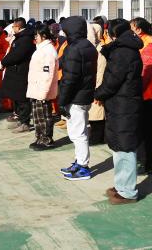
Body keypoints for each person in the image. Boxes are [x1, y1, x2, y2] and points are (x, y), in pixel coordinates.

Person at [95, 19, 143, 205]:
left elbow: (113, 80)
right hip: (121, 103)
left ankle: (128, 191)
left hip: (124, 104)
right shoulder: (124, 49)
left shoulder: (123, 52)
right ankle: (121, 184)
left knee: (125, 147)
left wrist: (98, 93)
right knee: (119, 146)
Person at [58, 16, 98, 181]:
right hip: (84, 94)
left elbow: (70, 78)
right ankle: (79, 161)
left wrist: (62, 100)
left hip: (76, 97)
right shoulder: (87, 45)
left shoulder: (74, 48)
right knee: (79, 131)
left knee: (78, 133)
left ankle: (83, 167)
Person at [130, 18, 152, 175]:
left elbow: (146, 72)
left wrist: (136, 90)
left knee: (144, 131)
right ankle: (143, 161)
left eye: (131, 27)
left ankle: (145, 163)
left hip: (146, 94)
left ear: (139, 30)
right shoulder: (141, 43)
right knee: (139, 130)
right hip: (141, 93)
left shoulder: (148, 46)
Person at [1, 18, 36, 133]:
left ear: (18, 27)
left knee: (22, 98)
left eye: (13, 26)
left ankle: (25, 122)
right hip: (16, 72)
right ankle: (21, 120)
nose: (12, 29)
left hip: (21, 72)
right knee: (17, 97)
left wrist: (4, 62)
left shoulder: (25, 39)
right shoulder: (19, 37)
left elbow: (17, 55)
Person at [27, 25, 58, 150]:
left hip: (42, 89)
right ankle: (39, 137)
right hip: (36, 88)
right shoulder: (41, 49)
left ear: (44, 36)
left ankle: (47, 139)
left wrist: (44, 92)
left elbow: (47, 74)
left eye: (37, 35)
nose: (35, 37)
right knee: (37, 116)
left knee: (44, 116)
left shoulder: (48, 51)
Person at [89, 23, 107, 145]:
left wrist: (98, 89)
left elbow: (101, 71)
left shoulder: (101, 49)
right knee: (93, 113)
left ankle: (98, 138)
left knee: (97, 112)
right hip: (92, 84)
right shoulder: (93, 47)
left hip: (97, 85)